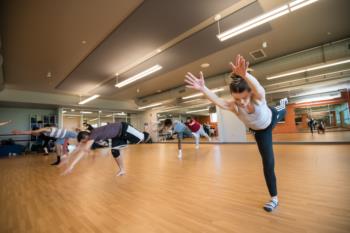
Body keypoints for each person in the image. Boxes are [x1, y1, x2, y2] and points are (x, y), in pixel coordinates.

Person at [185, 54, 288, 212]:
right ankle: (274, 199)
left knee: (281, 109)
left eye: (245, 98)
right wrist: (203, 88)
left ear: (250, 94)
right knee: (268, 164)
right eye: (237, 99)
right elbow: (217, 100)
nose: (242, 102)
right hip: (261, 133)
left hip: (272, 117)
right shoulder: (234, 106)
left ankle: (283, 102)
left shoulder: (258, 98)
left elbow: (259, 87)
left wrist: (245, 75)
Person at [61, 122, 151, 176]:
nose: (85, 143)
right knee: (115, 151)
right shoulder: (91, 134)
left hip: (124, 128)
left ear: (85, 137)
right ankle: (122, 170)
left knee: (143, 138)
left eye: (84, 141)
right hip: (117, 135)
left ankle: (147, 128)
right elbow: (80, 146)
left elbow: (83, 150)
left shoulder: (93, 135)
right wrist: (68, 157)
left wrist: (72, 166)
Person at [12, 126, 77, 165]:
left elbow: (32, 131)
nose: (34, 135)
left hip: (67, 133)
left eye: (35, 134)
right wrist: (20, 132)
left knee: (80, 136)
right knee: (57, 144)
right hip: (62, 137)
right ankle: (58, 160)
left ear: (37, 131)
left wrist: (20, 132)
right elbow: (32, 132)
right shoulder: (43, 133)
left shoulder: (45, 129)